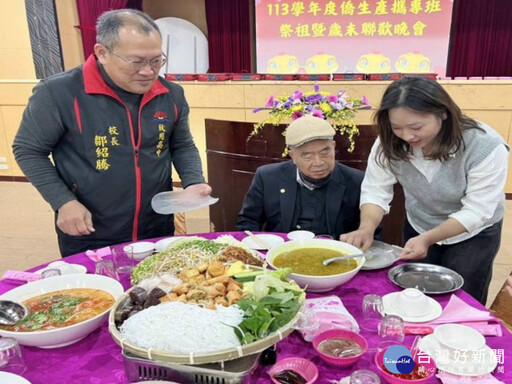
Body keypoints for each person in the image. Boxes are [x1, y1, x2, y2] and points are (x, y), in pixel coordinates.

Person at [12, 10, 211, 257]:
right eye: (137, 61)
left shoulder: (170, 94)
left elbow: (181, 144)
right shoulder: (59, 93)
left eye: (156, 60)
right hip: (91, 227)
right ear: (102, 53)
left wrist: (194, 181)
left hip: (156, 226)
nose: (149, 71)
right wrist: (63, 201)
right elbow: (28, 150)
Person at [340, 76, 509, 304]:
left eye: (416, 127)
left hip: (473, 234)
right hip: (420, 223)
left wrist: (429, 238)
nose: (407, 136)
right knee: (415, 294)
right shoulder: (389, 143)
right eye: (396, 127)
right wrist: (366, 228)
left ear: (443, 112)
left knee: (463, 298)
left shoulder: (484, 145)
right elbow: (375, 190)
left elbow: (477, 211)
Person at [237, 115, 364, 238]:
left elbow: (370, 233)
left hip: (336, 256)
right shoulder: (267, 177)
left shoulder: (356, 181)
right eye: (307, 156)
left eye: (325, 152)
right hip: (281, 254)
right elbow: (248, 223)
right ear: (293, 156)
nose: (318, 162)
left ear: (334, 147)